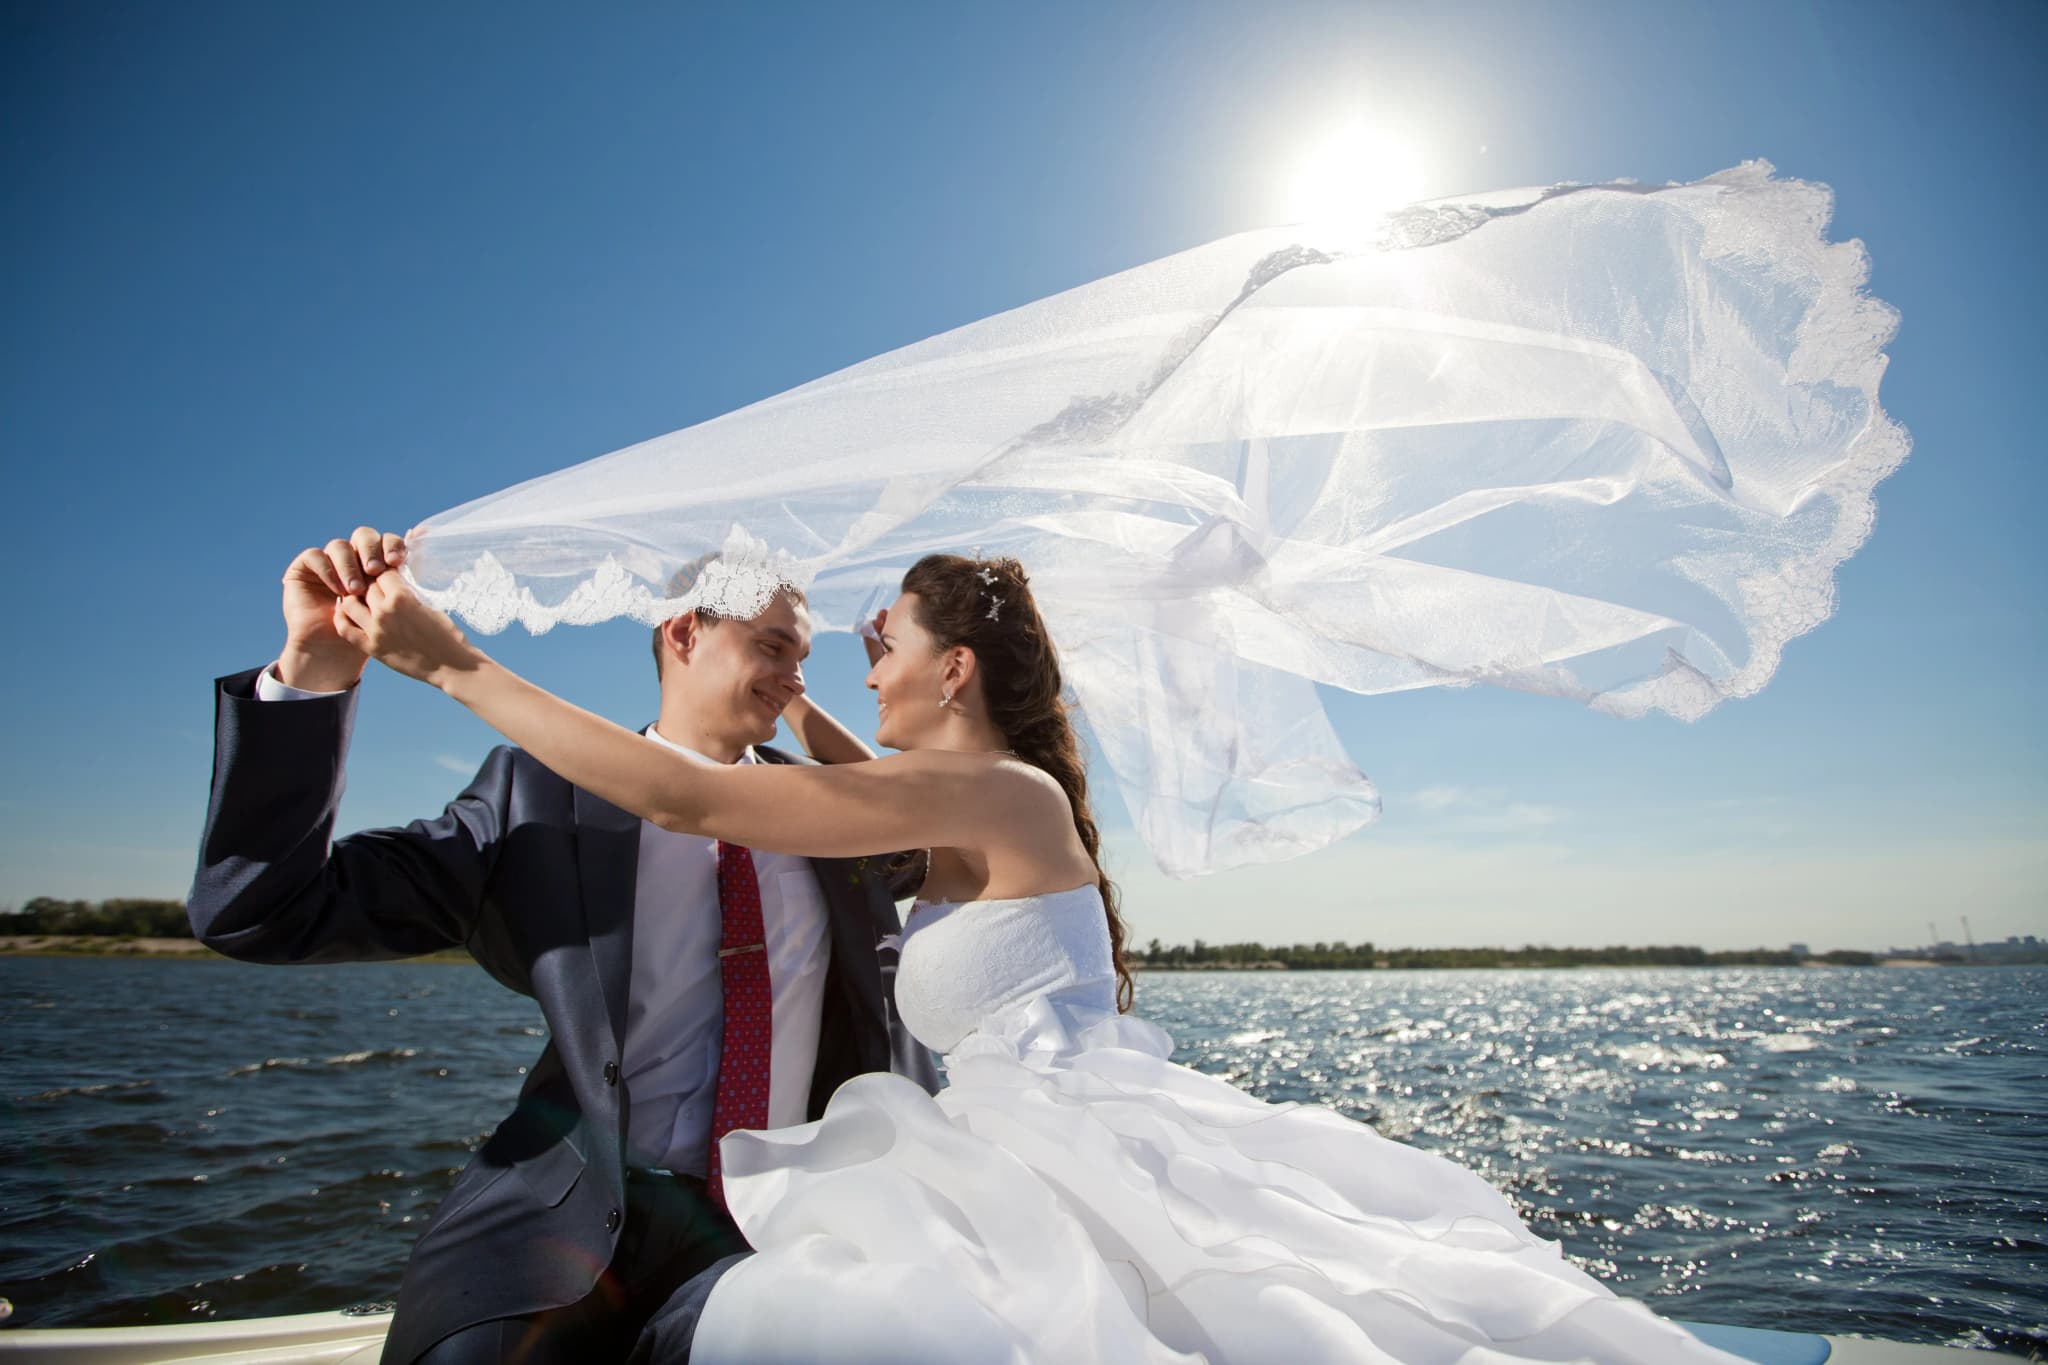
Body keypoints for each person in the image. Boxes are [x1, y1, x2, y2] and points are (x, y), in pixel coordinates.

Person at [336, 543, 1745, 1364]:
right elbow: (848, 780)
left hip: (1060, 1137)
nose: (849, 670)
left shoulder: (989, 797)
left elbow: (699, 797)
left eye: (880, 643)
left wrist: (449, 661)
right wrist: (814, 711)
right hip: (1021, 1131)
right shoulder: (975, 797)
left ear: (952, 671)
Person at [185, 526, 939, 1365]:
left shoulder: (831, 811)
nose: (797, 670)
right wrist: (314, 674)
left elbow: (920, 843)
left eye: (803, 654)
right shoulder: (536, 794)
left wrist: (783, 687)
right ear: (683, 631)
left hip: (781, 1230)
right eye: (770, 644)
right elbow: (260, 910)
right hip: (564, 1218)